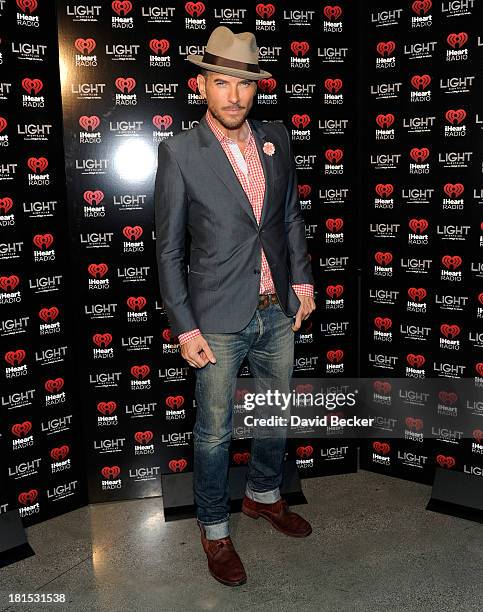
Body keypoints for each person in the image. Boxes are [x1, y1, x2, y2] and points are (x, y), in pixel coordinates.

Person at [154, 25, 316, 587]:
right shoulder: (178, 152)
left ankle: (264, 495)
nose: (233, 96)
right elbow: (170, 249)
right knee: (215, 431)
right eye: (221, 82)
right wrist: (183, 325)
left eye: (244, 85)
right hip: (216, 321)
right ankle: (215, 527)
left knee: (275, 415)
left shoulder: (277, 140)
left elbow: (289, 219)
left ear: (255, 90)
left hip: (278, 313)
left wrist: (303, 284)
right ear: (202, 84)